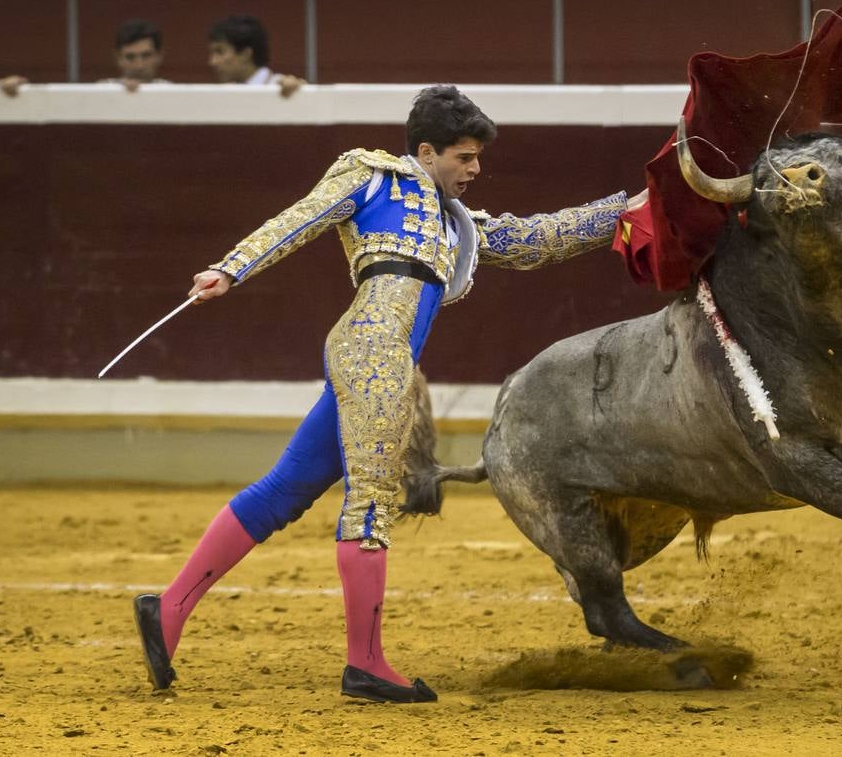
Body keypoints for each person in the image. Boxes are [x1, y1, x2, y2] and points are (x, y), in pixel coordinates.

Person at [132, 84, 644, 703]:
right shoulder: (371, 176)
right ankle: (366, 663)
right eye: (464, 157)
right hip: (373, 353)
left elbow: (535, 239)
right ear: (426, 151)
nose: (476, 170)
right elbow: (301, 217)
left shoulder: (459, 225)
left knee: (286, 489)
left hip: (382, 355)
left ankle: (168, 610)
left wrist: (627, 208)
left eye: (479, 157)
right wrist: (231, 268)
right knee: (371, 499)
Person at [0, 18, 169, 95]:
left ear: (159, 56)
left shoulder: (172, 91)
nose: (139, 65)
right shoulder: (101, 90)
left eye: (146, 56)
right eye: (131, 57)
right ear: (118, 58)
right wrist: (21, 89)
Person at [207, 14, 304, 97]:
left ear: (245, 54)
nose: (213, 62)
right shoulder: (227, 93)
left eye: (220, 52)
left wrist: (300, 91)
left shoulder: (282, 87)